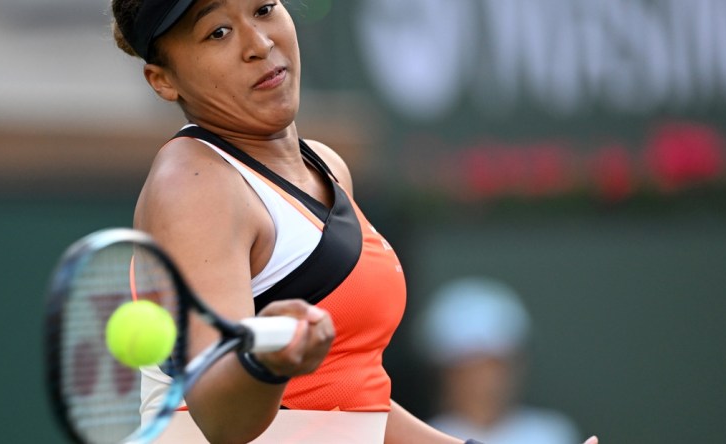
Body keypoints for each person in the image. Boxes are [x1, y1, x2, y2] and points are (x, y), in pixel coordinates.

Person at [110, 1, 599, 443]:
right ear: (163, 79)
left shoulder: (325, 166)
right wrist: (265, 362)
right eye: (217, 32)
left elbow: (351, 405)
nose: (259, 44)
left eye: (264, 8)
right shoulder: (195, 185)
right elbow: (219, 420)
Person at [418, 277, 588, 444]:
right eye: (470, 367)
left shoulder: (552, 434)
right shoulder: (419, 437)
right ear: (446, 373)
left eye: (496, 365)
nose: (485, 381)